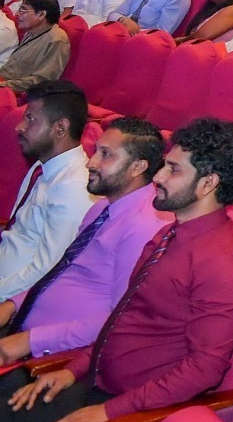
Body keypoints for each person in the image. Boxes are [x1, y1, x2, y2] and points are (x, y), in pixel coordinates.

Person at [0, 117, 233, 422]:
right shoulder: (169, 233)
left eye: (173, 170)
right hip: (94, 382)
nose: (158, 177)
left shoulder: (224, 262)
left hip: (131, 414)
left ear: (208, 184)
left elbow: (205, 368)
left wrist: (108, 413)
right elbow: (123, 317)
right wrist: (72, 370)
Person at [0, 117, 168, 366]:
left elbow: (120, 318)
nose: (91, 162)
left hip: (53, 359)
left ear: (137, 167)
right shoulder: (101, 207)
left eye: (106, 154)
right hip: (21, 329)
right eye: (96, 151)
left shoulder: (143, 227)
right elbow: (62, 274)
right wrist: (13, 304)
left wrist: (30, 341)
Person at [0, 81, 92, 303]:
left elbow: (46, 270)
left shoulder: (73, 188)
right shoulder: (43, 165)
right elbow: (19, 232)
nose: (19, 126)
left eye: (31, 119)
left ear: (60, 128)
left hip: (11, 298)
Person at [0, 0, 71, 93]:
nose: (17, 14)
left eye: (23, 10)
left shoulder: (57, 39)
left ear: (41, 14)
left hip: (15, 91)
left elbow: (42, 81)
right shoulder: (31, 31)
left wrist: (4, 85)